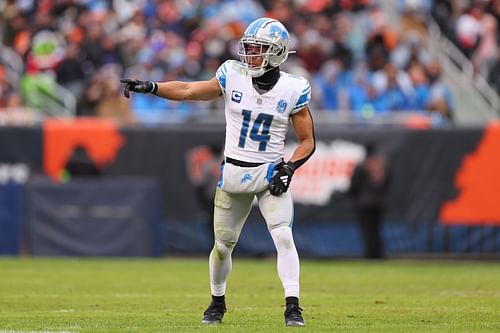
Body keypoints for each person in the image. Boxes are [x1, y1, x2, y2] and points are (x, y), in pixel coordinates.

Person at [120, 18, 316, 327]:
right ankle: (217, 302)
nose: (250, 56)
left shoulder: (294, 88)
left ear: (277, 53)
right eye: (249, 49)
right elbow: (187, 89)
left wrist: (289, 167)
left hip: (268, 173)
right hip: (234, 173)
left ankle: (293, 307)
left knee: (283, 236)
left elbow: (307, 141)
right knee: (223, 247)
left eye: (258, 50)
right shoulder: (232, 75)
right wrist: (152, 87)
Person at [348, 143, 391, 259]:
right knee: (376, 229)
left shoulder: (362, 166)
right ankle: (378, 254)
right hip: (379, 203)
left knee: (368, 230)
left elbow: (353, 185)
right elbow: (388, 185)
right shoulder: (383, 166)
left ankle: (371, 254)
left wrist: (357, 197)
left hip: (364, 204)